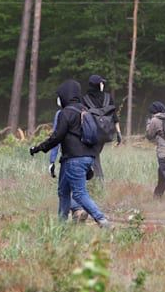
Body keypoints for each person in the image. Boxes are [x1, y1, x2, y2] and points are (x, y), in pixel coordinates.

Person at [29, 80, 111, 227]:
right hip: (82, 158)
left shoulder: (65, 113)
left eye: (59, 96)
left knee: (79, 193)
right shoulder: (85, 111)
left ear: (65, 95)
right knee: (63, 191)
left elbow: (57, 137)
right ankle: (61, 225)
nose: (58, 99)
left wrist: (39, 148)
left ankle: (102, 221)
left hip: (74, 159)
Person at [82, 75, 121, 181]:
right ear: (98, 85)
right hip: (106, 133)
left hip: (92, 134)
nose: (103, 85)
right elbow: (114, 116)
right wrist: (118, 133)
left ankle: (99, 183)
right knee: (94, 156)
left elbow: (82, 118)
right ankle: (92, 181)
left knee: (93, 158)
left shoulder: (85, 99)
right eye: (101, 83)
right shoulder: (108, 97)